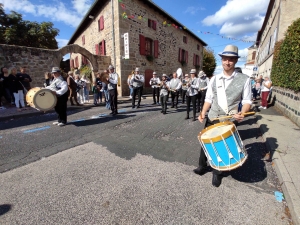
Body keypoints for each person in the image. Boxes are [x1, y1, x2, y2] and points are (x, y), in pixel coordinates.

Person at [194, 45, 252, 187]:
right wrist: (202, 113)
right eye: (225, 59)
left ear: (235, 61)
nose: (227, 62)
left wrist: (242, 113)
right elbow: (209, 99)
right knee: (206, 143)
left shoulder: (245, 79)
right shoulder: (215, 79)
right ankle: (202, 166)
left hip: (228, 119)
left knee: (222, 147)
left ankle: (217, 173)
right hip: (212, 116)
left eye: (231, 59)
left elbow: (247, 101)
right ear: (222, 60)